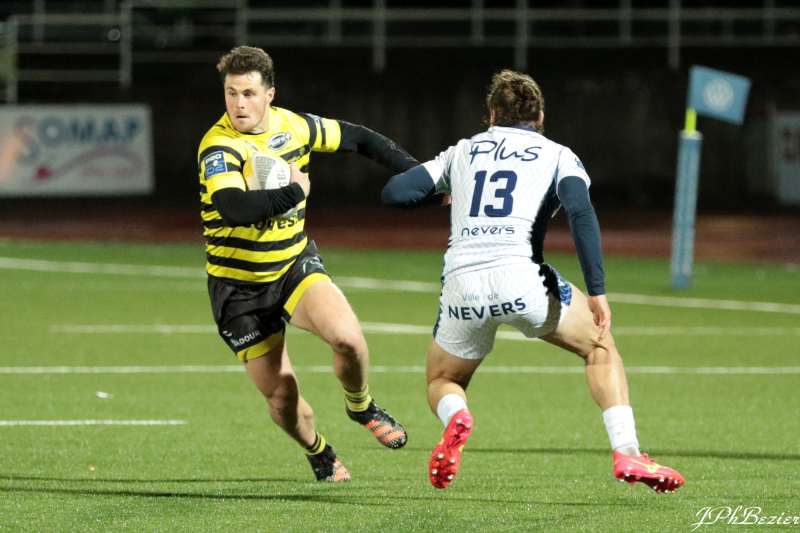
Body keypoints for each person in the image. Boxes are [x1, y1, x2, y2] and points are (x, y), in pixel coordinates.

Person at [382, 70, 685, 493]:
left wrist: (446, 193)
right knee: (600, 348)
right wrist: (597, 290)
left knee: (442, 380)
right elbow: (581, 214)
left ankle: (457, 417)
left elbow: (396, 193)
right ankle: (627, 451)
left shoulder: (462, 151)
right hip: (523, 281)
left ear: (492, 114)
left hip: (462, 285)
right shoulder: (558, 155)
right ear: (540, 117)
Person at [198, 46, 415, 482]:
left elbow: (360, 138)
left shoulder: (295, 126)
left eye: (248, 93)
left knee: (348, 340)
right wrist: (295, 192)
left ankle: (361, 406)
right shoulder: (219, 145)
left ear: (270, 94)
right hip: (239, 290)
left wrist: (418, 174)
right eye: (231, 93)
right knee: (282, 397)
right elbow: (233, 208)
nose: (239, 104)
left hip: (292, 267)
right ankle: (319, 451)